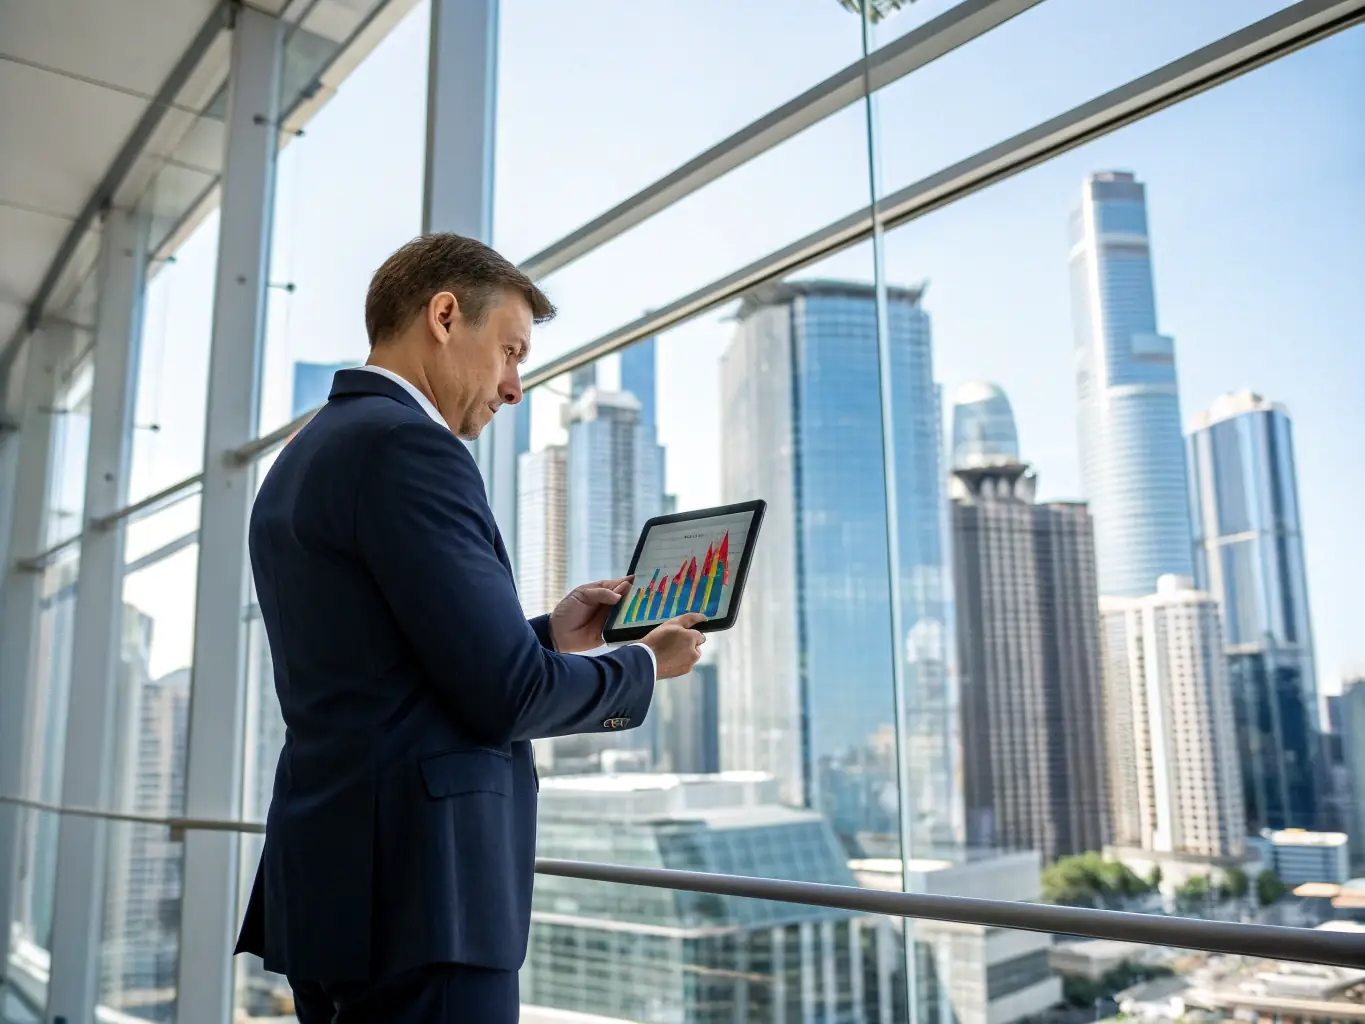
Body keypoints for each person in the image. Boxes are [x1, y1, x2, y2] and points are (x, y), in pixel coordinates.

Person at [233, 233, 705, 1021]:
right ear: (445, 316)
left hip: (331, 887)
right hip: (427, 899)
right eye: (511, 351)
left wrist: (549, 634)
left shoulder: (305, 453)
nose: (515, 386)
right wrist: (646, 665)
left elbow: (384, 664)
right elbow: (510, 697)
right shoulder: (409, 446)